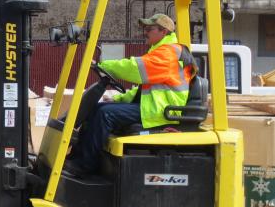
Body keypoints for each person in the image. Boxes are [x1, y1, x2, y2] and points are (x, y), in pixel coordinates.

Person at [65, 13, 197, 176]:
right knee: (97, 108)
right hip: (154, 107)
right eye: (145, 29)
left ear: (163, 31)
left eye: (149, 29)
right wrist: (118, 98)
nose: (145, 32)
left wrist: (103, 65)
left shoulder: (168, 53)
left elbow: (134, 68)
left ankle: (84, 165)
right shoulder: (161, 51)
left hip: (162, 112)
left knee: (105, 114)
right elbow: (143, 90)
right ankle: (75, 158)